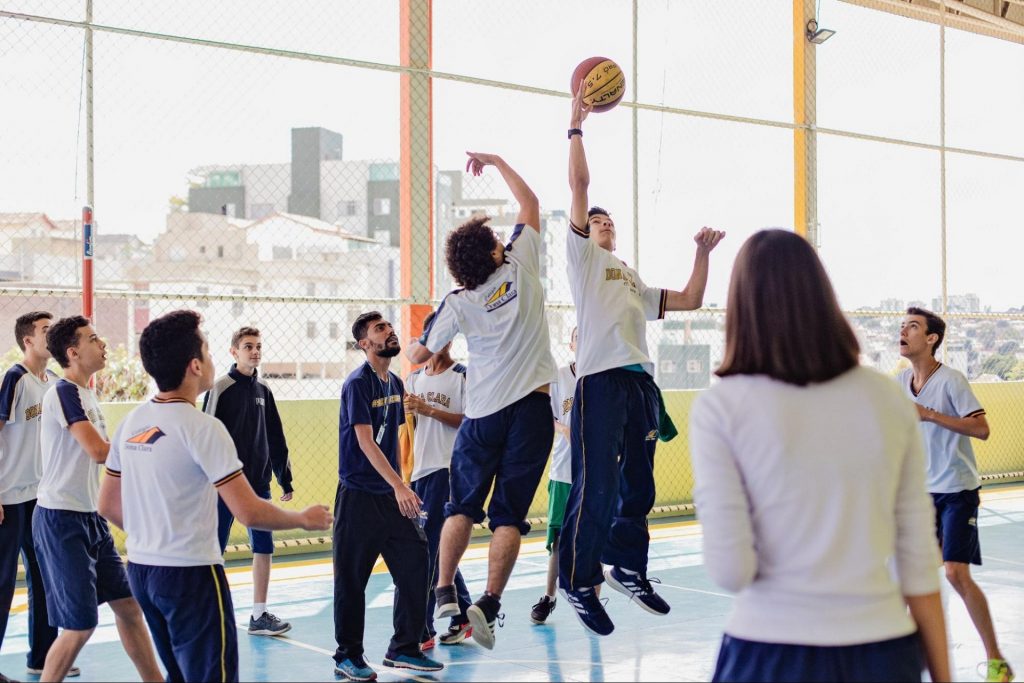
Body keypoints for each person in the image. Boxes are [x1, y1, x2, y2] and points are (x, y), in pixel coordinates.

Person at [689, 229, 949, 683]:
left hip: (768, 649)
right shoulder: (886, 399)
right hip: (882, 650)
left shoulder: (722, 406)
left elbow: (732, 570)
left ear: (741, 305)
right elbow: (919, 563)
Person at [559, 84, 725, 636]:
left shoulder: (628, 277)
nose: (604, 225)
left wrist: (701, 254)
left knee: (638, 488)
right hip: (600, 383)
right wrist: (577, 123)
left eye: (608, 223)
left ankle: (628, 565)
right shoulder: (584, 260)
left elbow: (690, 300)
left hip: (639, 385)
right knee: (596, 485)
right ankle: (580, 581)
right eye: (597, 221)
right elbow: (580, 183)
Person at [98, 310, 332, 683]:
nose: (211, 360)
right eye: (206, 351)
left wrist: (155, 534)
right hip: (191, 576)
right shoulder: (203, 428)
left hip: (142, 571)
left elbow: (107, 505)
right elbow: (249, 511)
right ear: (194, 366)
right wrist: (303, 518)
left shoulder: (131, 422)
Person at [406, 151, 557, 650]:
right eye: (494, 239)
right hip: (531, 409)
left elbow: (418, 353)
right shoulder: (520, 263)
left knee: (460, 506)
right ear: (494, 252)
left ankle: (445, 590)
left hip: (484, 414)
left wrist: (403, 345)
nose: (500, 240)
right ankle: (489, 602)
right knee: (509, 515)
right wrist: (496, 161)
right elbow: (530, 202)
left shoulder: (458, 301)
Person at [32, 316, 162, 682]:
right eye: (93, 339)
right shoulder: (62, 392)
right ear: (73, 353)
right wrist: (147, 432)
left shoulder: (87, 394)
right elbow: (98, 451)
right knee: (79, 626)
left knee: (128, 607)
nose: (103, 343)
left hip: (90, 519)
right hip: (61, 521)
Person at [898, 306, 1014, 683]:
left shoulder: (951, 380)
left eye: (912, 326)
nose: (904, 331)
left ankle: (996, 660)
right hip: (921, 494)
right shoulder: (900, 382)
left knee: (955, 574)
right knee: (909, 580)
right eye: (902, 326)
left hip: (956, 491)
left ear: (931, 339)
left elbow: (981, 429)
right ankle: (904, 660)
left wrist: (929, 415)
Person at [333, 311, 442, 681]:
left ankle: (404, 648)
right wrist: (399, 484)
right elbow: (364, 440)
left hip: (391, 495)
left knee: (416, 560)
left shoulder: (394, 382)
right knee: (352, 579)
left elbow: (393, 438)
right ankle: (347, 655)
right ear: (365, 344)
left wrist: (402, 482)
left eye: (390, 327)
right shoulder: (357, 384)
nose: (390, 331)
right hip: (359, 496)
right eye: (381, 329)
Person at [203, 326, 295, 637]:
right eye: (247, 346)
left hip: (258, 486)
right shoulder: (220, 388)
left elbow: (276, 436)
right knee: (214, 550)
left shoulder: (264, 391)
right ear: (234, 351)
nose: (254, 351)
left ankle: (258, 614)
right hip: (224, 485)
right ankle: (209, 611)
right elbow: (205, 435)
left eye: (258, 346)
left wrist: (285, 479)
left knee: (264, 547)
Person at [0, 312, 76, 679]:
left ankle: (42, 656)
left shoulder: (55, 384)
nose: (53, 334)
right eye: (46, 330)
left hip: (41, 498)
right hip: (8, 498)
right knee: (2, 584)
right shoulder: (15, 380)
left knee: (46, 578)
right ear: (28, 340)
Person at [403, 314, 473, 649]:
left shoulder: (462, 376)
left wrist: (428, 410)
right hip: (420, 471)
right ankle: (466, 615)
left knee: (428, 547)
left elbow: (470, 422)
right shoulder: (413, 379)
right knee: (436, 546)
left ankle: (424, 628)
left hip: (447, 469)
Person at [530, 326, 578, 625]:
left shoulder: (604, 378)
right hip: (563, 471)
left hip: (596, 471)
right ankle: (549, 597)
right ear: (571, 344)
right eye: (579, 337)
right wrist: (565, 429)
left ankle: (593, 599)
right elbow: (548, 417)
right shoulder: (560, 377)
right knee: (559, 539)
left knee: (592, 536)